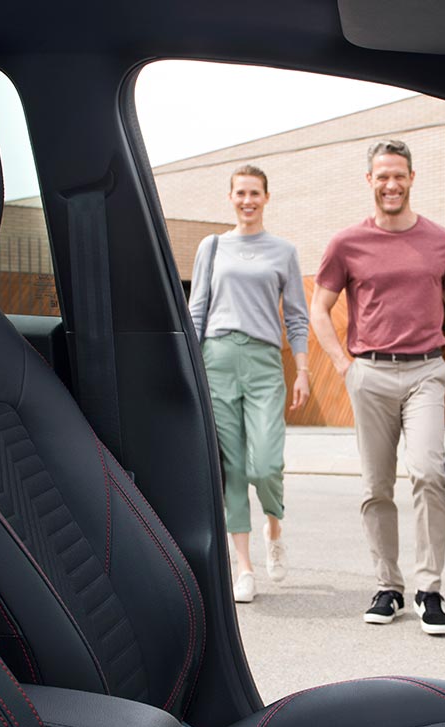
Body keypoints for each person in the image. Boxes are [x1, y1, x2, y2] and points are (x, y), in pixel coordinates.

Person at [310, 139, 445, 636]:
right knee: (375, 486)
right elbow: (319, 310)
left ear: (412, 178)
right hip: (369, 373)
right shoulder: (346, 243)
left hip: (427, 371)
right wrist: (343, 365)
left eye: (399, 175)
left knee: (430, 472)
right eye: (382, 176)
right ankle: (389, 587)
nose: (391, 184)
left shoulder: (443, 241)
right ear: (370, 180)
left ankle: (429, 588)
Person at [189, 164, 310, 604]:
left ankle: (273, 526)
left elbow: (297, 315)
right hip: (217, 359)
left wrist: (303, 369)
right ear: (231, 197)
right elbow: (196, 310)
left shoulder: (283, 251)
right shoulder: (213, 246)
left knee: (265, 464)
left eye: (255, 192)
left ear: (266, 196)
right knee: (233, 469)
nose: (247, 200)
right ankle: (243, 566)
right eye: (240, 192)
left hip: (263, 361)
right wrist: (191, 368)